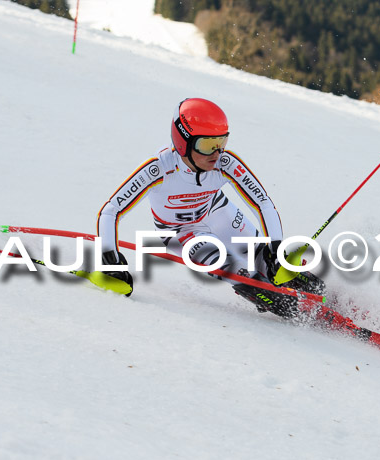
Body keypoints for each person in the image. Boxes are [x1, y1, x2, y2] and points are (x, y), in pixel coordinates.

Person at [96, 98, 323, 316]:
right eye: (207, 145)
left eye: (221, 142)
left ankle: (323, 298)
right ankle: (293, 311)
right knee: (242, 275)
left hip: (220, 214)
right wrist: (110, 258)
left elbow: (262, 202)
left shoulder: (225, 163)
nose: (217, 154)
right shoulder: (159, 169)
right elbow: (111, 210)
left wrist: (275, 247)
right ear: (184, 141)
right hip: (182, 233)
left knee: (271, 262)